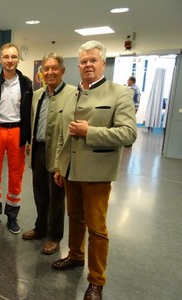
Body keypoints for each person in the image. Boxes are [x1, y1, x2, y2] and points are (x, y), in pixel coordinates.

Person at [52, 40, 137, 300]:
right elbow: (61, 134)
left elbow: (129, 133)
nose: (88, 65)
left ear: (103, 63)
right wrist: (59, 164)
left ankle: (96, 280)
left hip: (97, 173)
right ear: (77, 65)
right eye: (83, 61)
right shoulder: (71, 93)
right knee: (74, 218)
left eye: (93, 60)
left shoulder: (119, 93)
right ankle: (75, 256)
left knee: (97, 228)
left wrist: (91, 132)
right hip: (70, 169)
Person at [22, 52, 75, 255]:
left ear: (62, 70)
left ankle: (54, 236)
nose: (50, 72)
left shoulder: (72, 94)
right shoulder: (38, 95)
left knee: (56, 197)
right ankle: (41, 228)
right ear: (41, 72)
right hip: (38, 150)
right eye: (46, 68)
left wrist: (63, 162)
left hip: (58, 151)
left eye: (54, 68)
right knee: (40, 194)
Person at [0, 43, 32, 234]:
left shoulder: (27, 83)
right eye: (6, 56)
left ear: (18, 59)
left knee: (16, 175)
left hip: (18, 132)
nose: (10, 60)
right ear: (0, 59)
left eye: (13, 56)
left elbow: (29, 112)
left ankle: (12, 216)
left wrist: (28, 139)